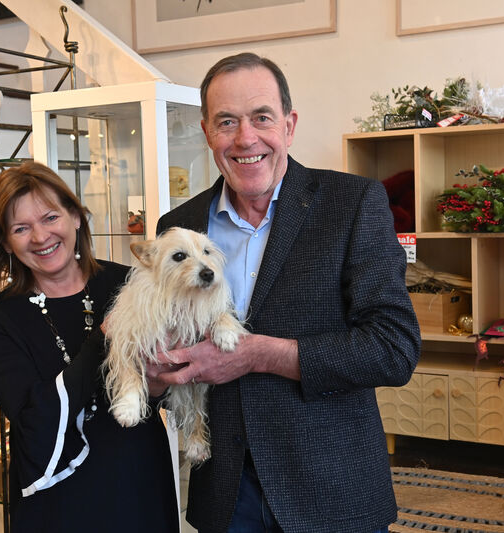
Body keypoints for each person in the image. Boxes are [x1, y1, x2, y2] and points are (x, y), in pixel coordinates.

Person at [152, 53, 421, 533]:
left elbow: (393, 348)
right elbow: (171, 347)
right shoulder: (178, 229)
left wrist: (257, 354)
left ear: (289, 125)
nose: (245, 138)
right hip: (225, 497)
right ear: (207, 132)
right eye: (227, 122)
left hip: (332, 493)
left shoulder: (352, 203)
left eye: (262, 117)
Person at [0, 161, 178, 533]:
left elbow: (168, 381)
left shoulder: (129, 283)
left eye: (50, 217)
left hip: (138, 484)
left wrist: (160, 382)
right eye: (21, 228)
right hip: (56, 502)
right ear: (5, 242)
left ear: (75, 217)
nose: (41, 236)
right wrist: (106, 337)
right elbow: (35, 416)